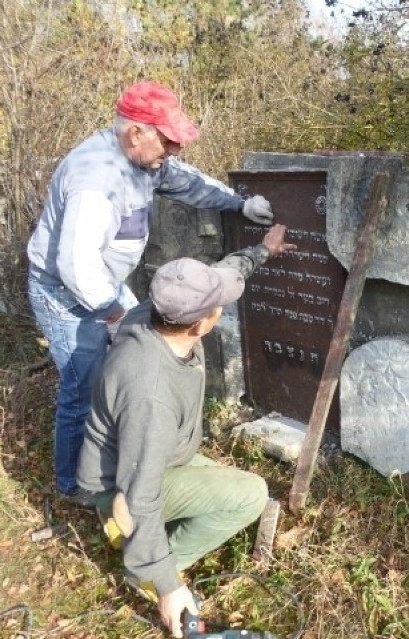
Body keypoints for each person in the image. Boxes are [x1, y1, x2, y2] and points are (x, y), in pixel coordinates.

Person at [27, 80, 275, 503]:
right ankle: (77, 489)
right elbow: (76, 265)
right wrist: (112, 312)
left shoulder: (143, 161)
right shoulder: (95, 181)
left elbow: (184, 181)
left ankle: (133, 454)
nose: (174, 150)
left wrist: (239, 203)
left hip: (104, 284)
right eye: (168, 140)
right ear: (135, 131)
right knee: (83, 389)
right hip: (67, 296)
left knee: (136, 361)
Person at [76, 224, 295, 637]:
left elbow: (220, 276)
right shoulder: (150, 395)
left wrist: (262, 251)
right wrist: (167, 586)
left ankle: (128, 534)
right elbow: (140, 491)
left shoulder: (155, 311)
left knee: (222, 481)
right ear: (201, 325)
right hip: (122, 481)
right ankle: (150, 565)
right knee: (250, 494)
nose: (223, 309)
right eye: (219, 309)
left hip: (159, 454)